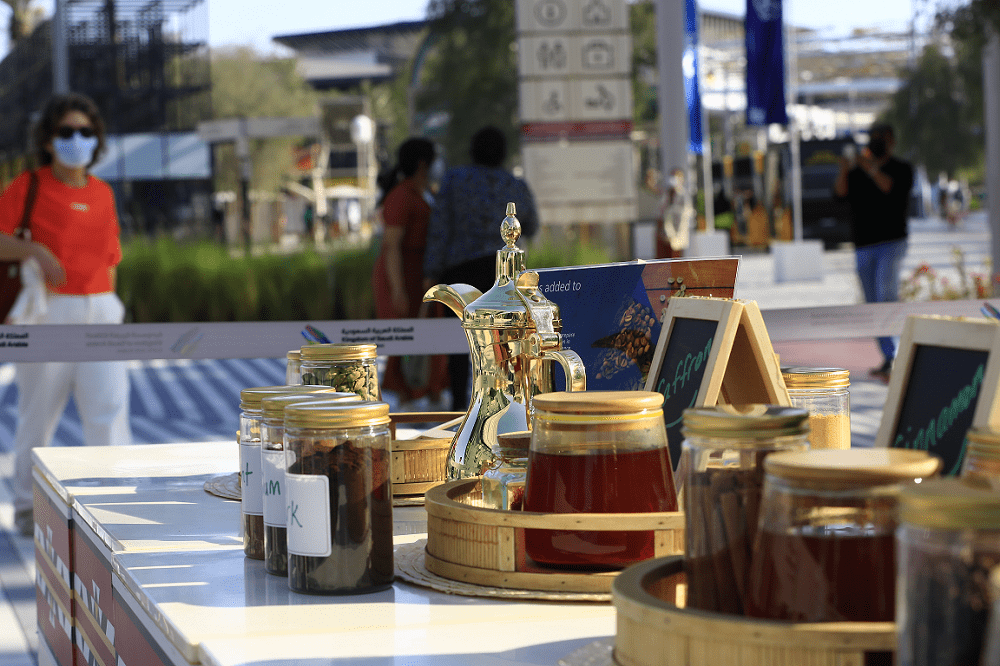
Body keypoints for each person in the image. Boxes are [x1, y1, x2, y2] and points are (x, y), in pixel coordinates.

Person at [0, 93, 132, 537]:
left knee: (109, 409)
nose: (77, 140)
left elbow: (111, 257)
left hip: (100, 311)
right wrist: (35, 249)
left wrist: (108, 307)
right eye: (66, 132)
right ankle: (24, 504)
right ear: (49, 140)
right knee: (38, 414)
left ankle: (117, 501)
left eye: (85, 132)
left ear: (96, 140)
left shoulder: (102, 193)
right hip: (47, 315)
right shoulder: (28, 185)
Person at [423, 126, 539, 411]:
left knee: (459, 340)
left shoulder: (454, 180)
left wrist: (431, 271)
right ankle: (501, 404)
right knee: (502, 341)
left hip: (460, 270)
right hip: (501, 273)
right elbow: (532, 224)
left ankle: (460, 407)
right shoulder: (515, 185)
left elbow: (439, 230)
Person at [371, 137, 448, 408]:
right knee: (403, 337)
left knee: (429, 335)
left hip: (420, 276)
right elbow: (391, 245)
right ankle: (406, 396)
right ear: (423, 164)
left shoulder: (424, 192)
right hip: (401, 274)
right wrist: (398, 289)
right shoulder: (401, 196)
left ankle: (430, 391)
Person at [834, 122, 914, 383]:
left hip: (891, 243)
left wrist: (867, 165)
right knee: (872, 303)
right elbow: (839, 195)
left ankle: (900, 355)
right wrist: (845, 169)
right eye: (872, 137)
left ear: (891, 141)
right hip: (863, 245)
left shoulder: (902, 169)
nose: (875, 142)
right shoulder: (856, 172)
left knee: (885, 294)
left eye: (880, 138)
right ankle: (889, 356)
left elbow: (889, 187)